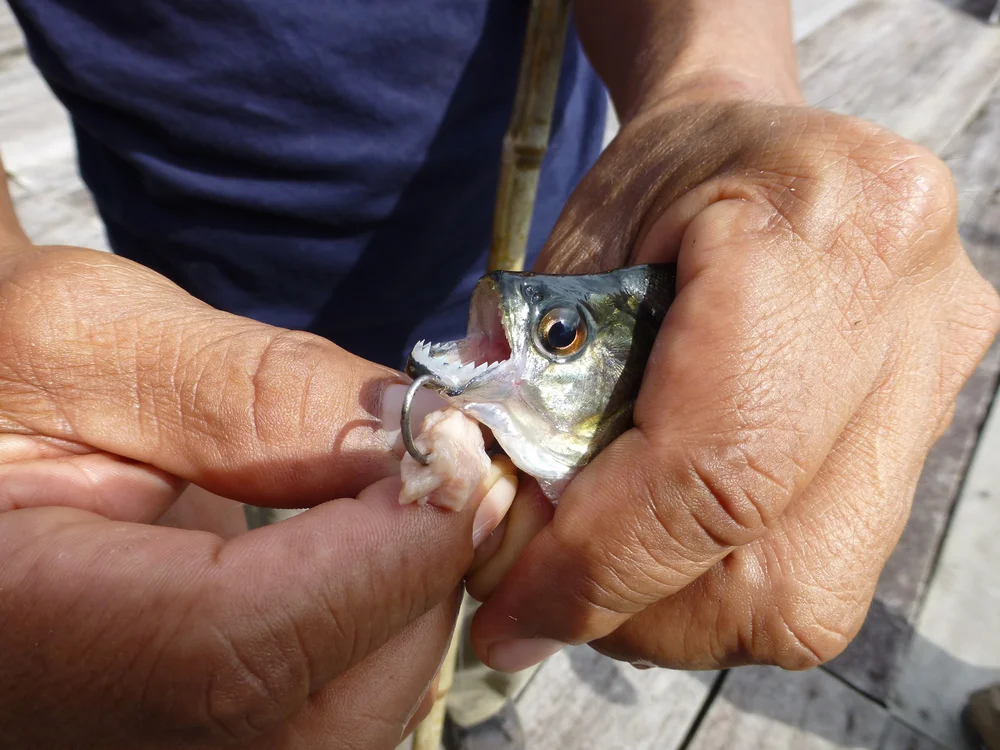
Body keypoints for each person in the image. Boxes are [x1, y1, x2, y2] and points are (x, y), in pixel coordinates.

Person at [0, 0, 997, 748]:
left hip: (539, 241)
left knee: (491, 616)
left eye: (563, 342)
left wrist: (718, 85)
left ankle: (474, 689)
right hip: (164, 360)